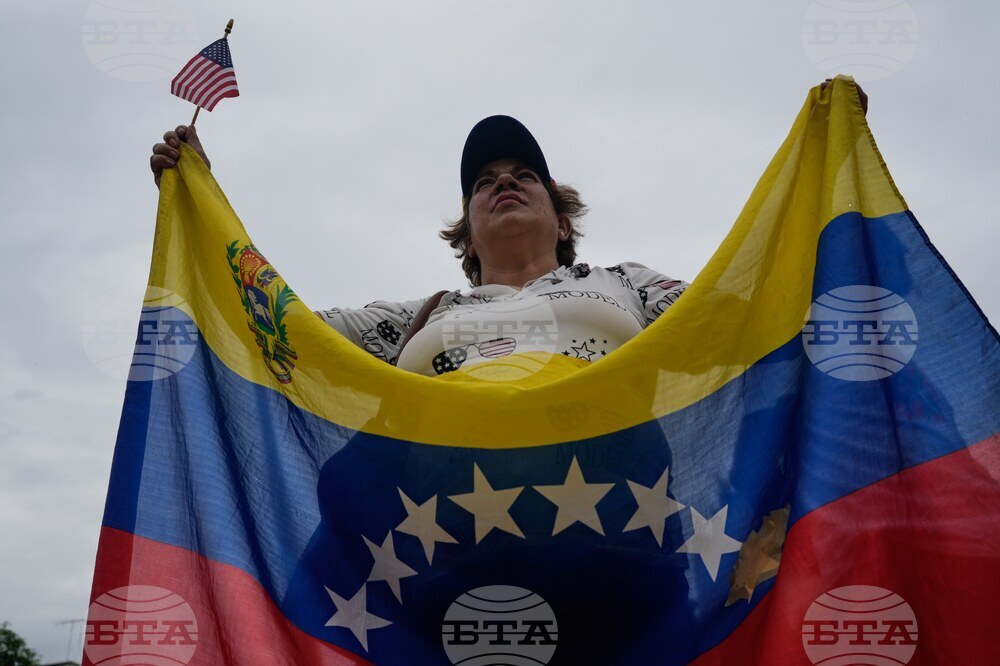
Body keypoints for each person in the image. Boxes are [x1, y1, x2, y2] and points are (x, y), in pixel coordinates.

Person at [149, 81, 865, 377]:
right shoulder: (415, 318)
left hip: (620, 539)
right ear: (466, 233)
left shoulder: (630, 285)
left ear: (562, 216)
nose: (504, 182)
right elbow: (281, 325)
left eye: (524, 174)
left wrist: (824, 169)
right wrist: (202, 205)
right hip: (444, 549)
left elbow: (752, 314)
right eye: (484, 181)